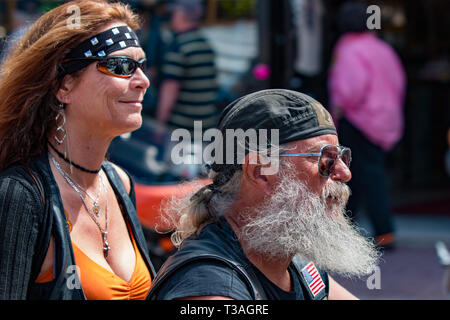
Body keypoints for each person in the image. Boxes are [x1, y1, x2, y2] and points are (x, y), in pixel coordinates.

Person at [147, 89, 380, 300]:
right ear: (260, 173)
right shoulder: (212, 284)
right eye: (325, 160)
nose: (344, 172)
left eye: (342, 157)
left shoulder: (297, 265)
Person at [0, 0, 156, 299]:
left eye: (141, 65)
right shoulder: (20, 196)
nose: (143, 81)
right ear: (64, 86)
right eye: (121, 66)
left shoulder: (119, 182)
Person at [328, 1, 406, 250]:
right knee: (364, 176)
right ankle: (352, 231)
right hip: (383, 120)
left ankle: (381, 232)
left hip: (359, 120)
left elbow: (351, 89)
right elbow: (399, 82)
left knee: (358, 176)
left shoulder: (349, 49)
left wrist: (336, 110)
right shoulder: (383, 48)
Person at [156, 0, 219, 131]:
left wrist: (159, 124)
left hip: (181, 129)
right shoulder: (206, 45)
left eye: (173, 13)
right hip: (206, 126)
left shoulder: (178, 47)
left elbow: (170, 89)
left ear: (180, 14)